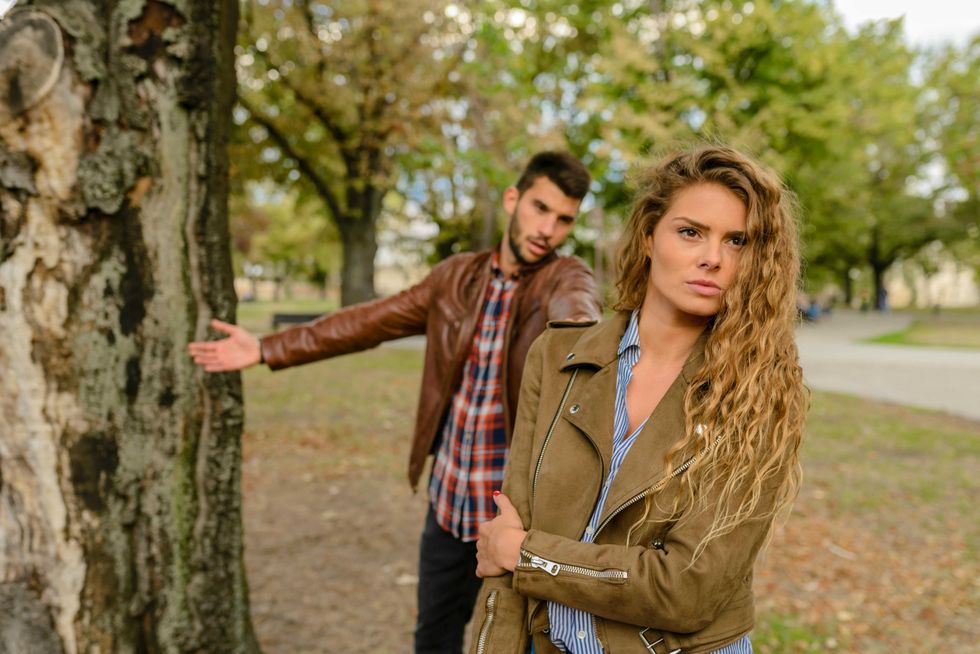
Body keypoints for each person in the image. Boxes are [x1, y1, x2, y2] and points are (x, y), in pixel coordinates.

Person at [187, 151, 602, 653]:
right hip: (449, 503)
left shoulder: (565, 277)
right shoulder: (454, 278)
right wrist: (266, 348)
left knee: (517, 644)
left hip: (515, 518)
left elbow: (578, 321)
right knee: (433, 638)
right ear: (513, 199)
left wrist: (584, 344)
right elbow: (368, 321)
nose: (548, 229)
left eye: (564, 220)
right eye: (540, 208)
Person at [470, 145, 807, 654]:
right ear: (649, 237)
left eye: (737, 241)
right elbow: (504, 544)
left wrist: (529, 556)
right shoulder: (555, 357)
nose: (712, 258)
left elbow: (685, 590)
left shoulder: (762, 393)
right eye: (690, 232)